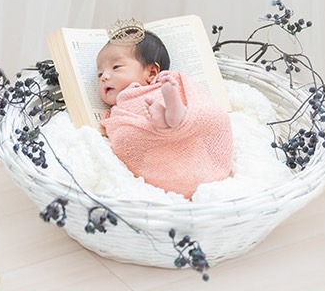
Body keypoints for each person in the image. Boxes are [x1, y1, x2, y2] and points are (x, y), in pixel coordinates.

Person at [96, 19, 234, 199]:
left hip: (188, 136)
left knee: (213, 116)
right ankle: (168, 120)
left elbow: (201, 102)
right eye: (100, 74)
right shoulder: (118, 110)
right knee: (125, 137)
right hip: (162, 155)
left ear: (151, 72)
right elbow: (123, 138)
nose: (104, 77)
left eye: (116, 67)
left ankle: (177, 115)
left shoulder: (166, 84)